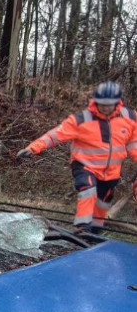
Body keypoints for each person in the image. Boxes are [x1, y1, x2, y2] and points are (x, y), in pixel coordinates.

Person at [17, 81, 137, 233]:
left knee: (103, 202)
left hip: (112, 172)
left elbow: (134, 144)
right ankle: (83, 227)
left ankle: (95, 233)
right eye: (102, 104)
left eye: (109, 104)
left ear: (118, 102)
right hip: (85, 166)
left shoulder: (130, 117)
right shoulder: (81, 120)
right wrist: (33, 148)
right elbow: (55, 136)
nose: (105, 107)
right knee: (88, 190)